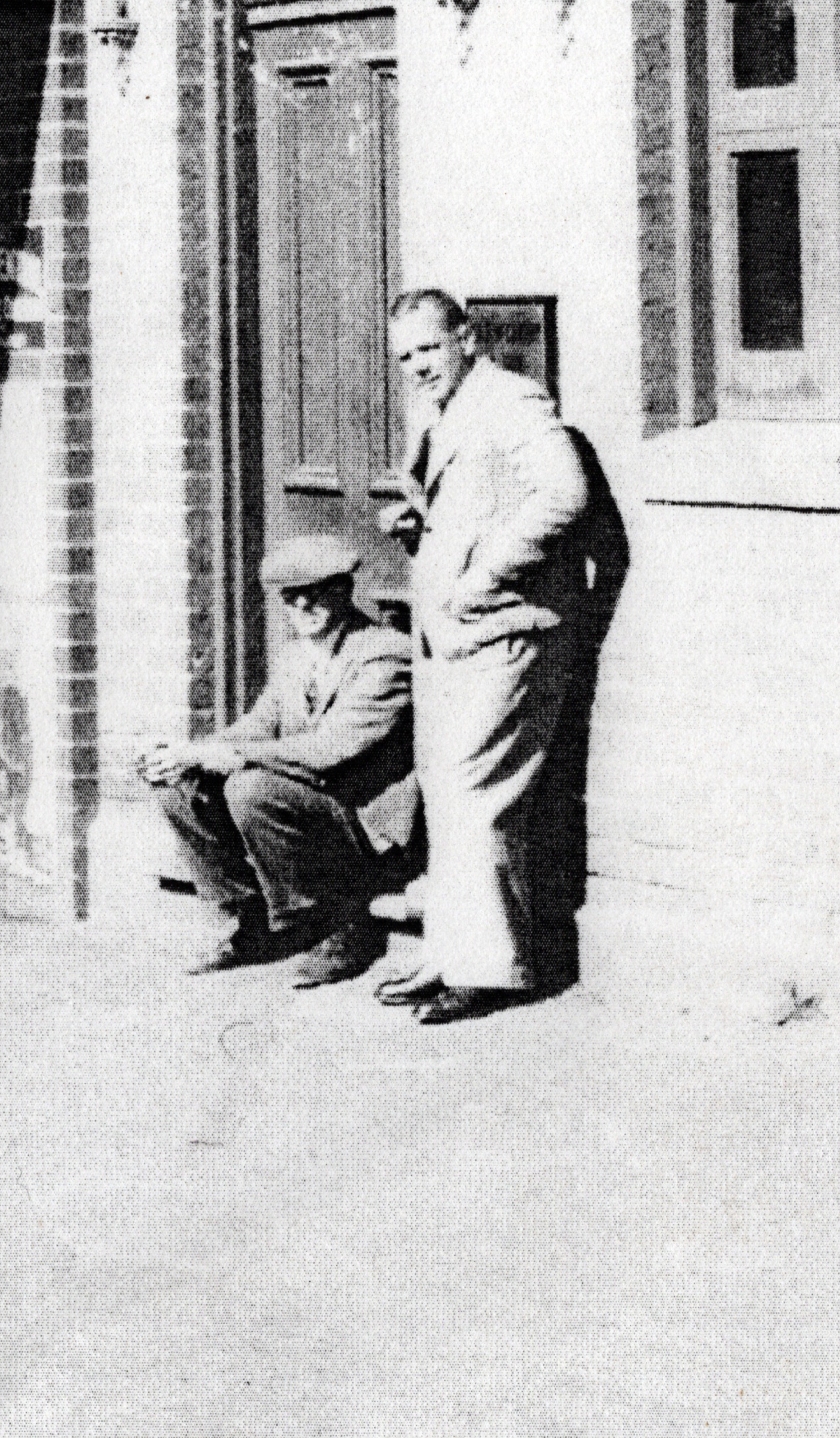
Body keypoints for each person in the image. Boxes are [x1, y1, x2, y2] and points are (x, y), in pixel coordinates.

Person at [377, 289, 594, 1024]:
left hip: (508, 627)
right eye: (404, 356)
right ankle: (449, 954)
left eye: (428, 349)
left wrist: (483, 572)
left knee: (475, 789)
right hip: (454, 634)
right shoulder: (439, 412)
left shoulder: (511, 399)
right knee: (445, 788)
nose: (416, 367)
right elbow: (477, 498)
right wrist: (420, 521)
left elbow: (564, 495)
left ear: (466, 339)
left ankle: (492, 969)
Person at [136, 535, 415, 988]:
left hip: (363, 820)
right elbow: (258, 726)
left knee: (251, 788)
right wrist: (188, 755)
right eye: (291, 596)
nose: (303, 605)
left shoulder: (384, 655)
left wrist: (230, 756)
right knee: (180, 787)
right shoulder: (296, 656)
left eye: (317, 592)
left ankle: (342, 925)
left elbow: (331, 750)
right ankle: (253, 922)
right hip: (309, 803)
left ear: (344, 591)